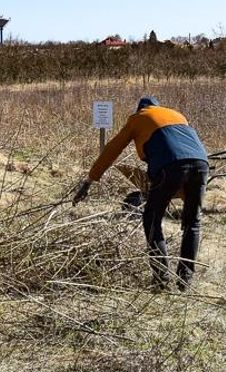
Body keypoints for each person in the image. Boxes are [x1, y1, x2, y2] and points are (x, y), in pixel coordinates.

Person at [73, 97, 208, 290]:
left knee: (152, 219)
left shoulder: (138, 118)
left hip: (169, 165)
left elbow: (113, 149)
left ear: (140, 109)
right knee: (193, 221)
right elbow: (185, 151)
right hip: (201, 163)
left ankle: (161, 280)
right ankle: (184, 281)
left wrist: (90, 179)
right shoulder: (177, 115)